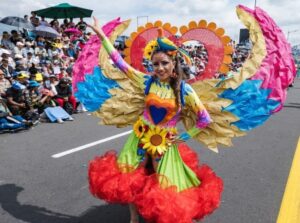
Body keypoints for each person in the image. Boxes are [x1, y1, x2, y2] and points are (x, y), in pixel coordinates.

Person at [84, 18, 222, 223]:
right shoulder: (147, 81)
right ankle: (133, 218)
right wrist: (102, 36)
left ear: (174, 64)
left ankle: (158, 217)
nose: (159, 68)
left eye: (164, 63)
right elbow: (120, 63)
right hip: (139, 137)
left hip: (164, 144)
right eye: (155, 63)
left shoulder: (185, 90)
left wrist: (184, 137)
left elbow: (204, 119)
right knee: (130, 177)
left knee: (163, 184)